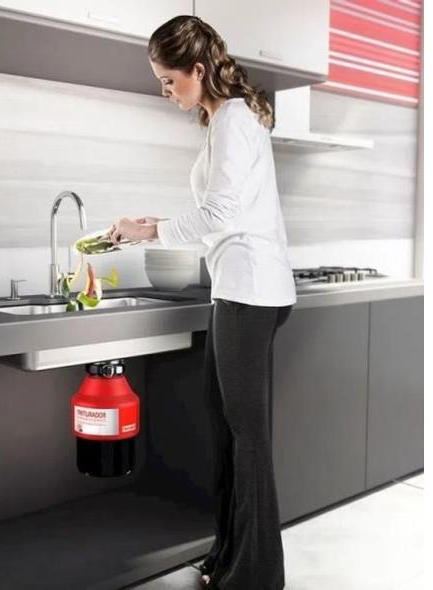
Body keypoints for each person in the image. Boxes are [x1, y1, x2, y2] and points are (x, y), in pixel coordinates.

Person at [106, 15, 297, 590]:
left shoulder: (234, 120)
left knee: (245, 438)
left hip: (248, 290)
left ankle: (255, 576)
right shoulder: (224, 120)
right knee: (229, 432)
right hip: (238, 288)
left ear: (197, 68)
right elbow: (220, 217)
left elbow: (220, 215)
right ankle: (230, 557)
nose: (166, 92)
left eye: (169, 80)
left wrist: (148, 232)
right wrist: (154, 225)